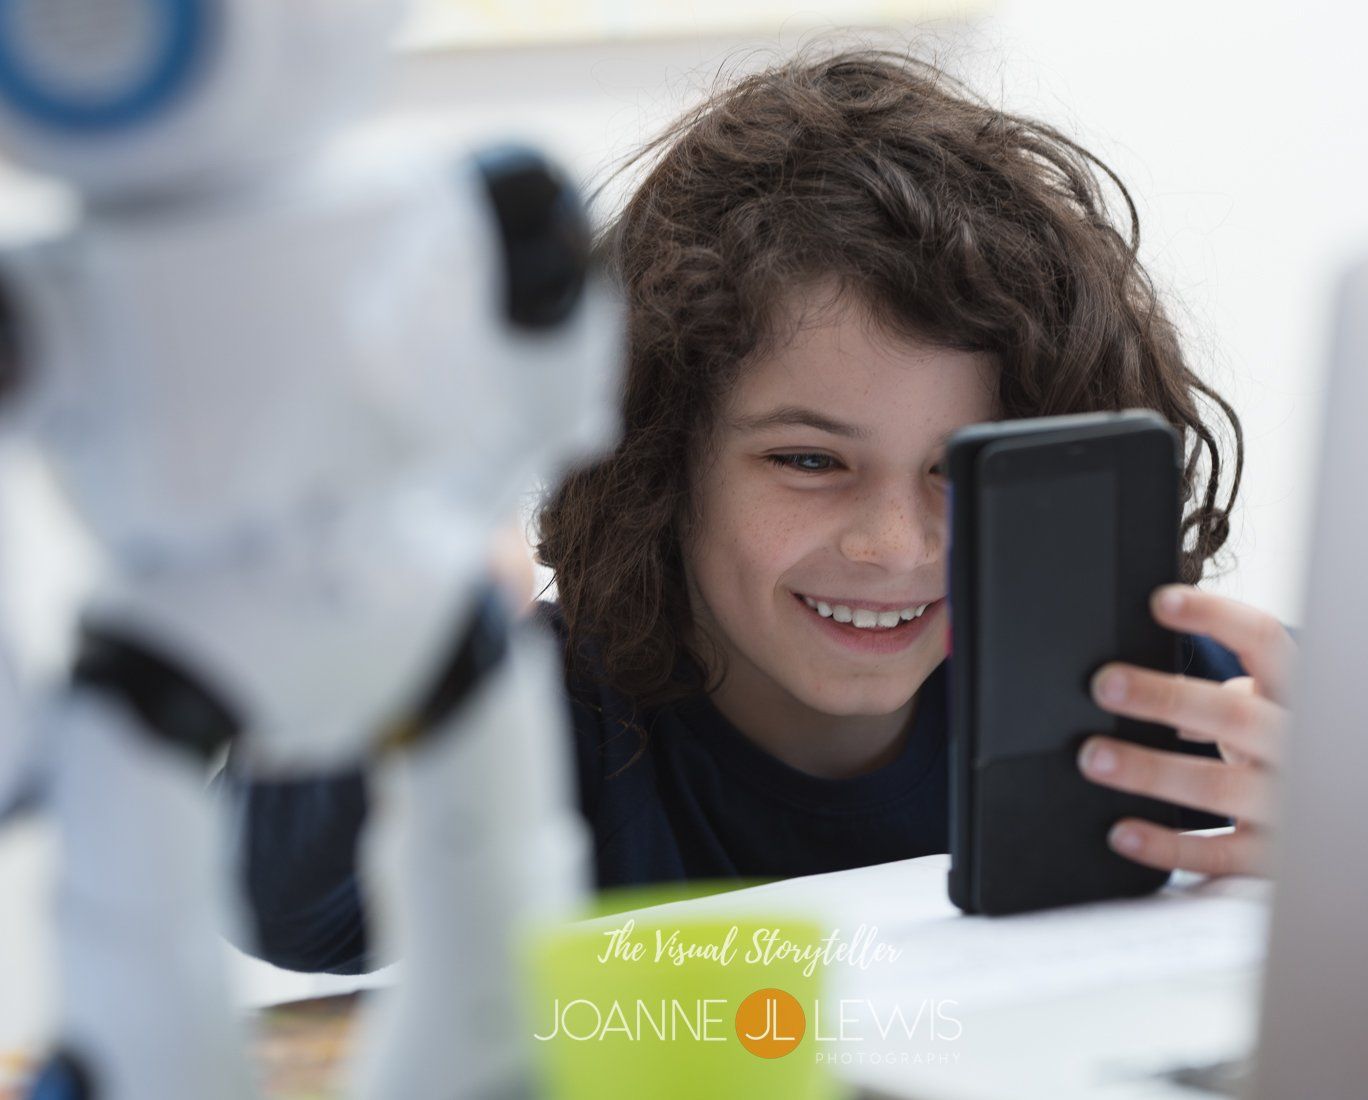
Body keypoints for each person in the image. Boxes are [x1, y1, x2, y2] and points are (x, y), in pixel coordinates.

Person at [214, 49, 1295, 975]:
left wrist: (1351, 819)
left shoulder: (1132, 700)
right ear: (659, 456)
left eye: (960, 469)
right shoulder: (535, 717)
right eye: (810, 458)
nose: (894, 544)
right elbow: (291, 911)